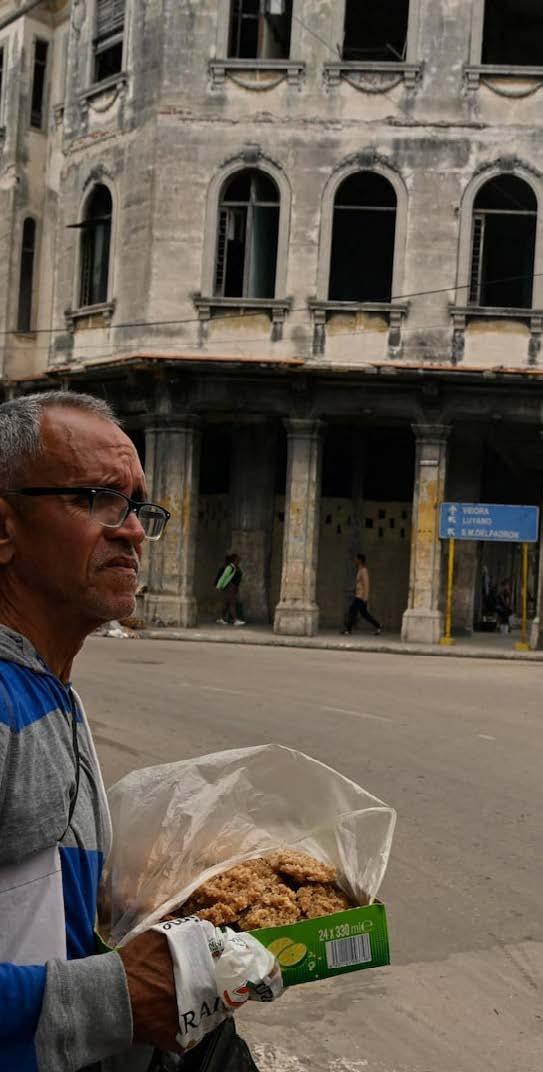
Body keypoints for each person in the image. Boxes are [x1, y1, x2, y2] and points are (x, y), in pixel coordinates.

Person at [0, 392, 276, 1071]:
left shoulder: (49, 687)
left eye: (137, 506)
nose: (132, 531)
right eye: (97, 498)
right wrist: (115, 995)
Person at [342, 553, 382, 636]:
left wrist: (365, 598)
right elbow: (359, 583)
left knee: (352, 610)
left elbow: (366, 584)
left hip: (361, 597)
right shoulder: (360, 570)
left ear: (360, 560)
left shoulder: (364, 570)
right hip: (359, 595)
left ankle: (348, 629)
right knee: (364, 614)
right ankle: (378, 625)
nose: (355, 560)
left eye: (356, 559)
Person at [215, 552, 245, 626]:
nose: (239, 561)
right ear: (234, 560)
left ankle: (221, 618)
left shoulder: (235, 567)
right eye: (238, 559)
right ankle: (235, 620)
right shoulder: (230, 567)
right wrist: (219, 586)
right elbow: (223, 577)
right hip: (229, 587)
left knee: (227, 604)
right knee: (232, 603)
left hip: (233, 588)